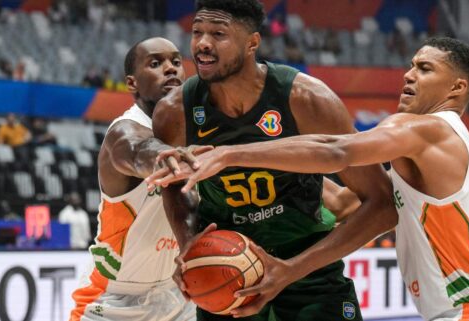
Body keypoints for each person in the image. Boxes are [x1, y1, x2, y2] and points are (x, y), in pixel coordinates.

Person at [149, 37, 469, 321]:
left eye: (424, 69)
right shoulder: (424, 155)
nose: (408, 74)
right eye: (411, 65)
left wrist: (229, 152)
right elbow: (345, 203)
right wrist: (259, 180)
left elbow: (337, 150)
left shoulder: (426, 129)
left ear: (456, 88)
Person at [148, 1, 397, 320]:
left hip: (310, 276)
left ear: (252, 43)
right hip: (224, 280)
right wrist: (187, 245)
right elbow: (173, 186)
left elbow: (383, 204)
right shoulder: (174, 112)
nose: (203, 43)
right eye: (197, 32)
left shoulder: (307, 100)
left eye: (218, 34)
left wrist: (290, 270)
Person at [68, 37, 202, 321]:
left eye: (176, 62)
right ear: (132, 84)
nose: (170, 69)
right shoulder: (123, 131)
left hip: (178, 293)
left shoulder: (196, 129)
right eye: (155, 63)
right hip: (114, 298)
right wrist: (169, 156)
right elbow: (141, 151)